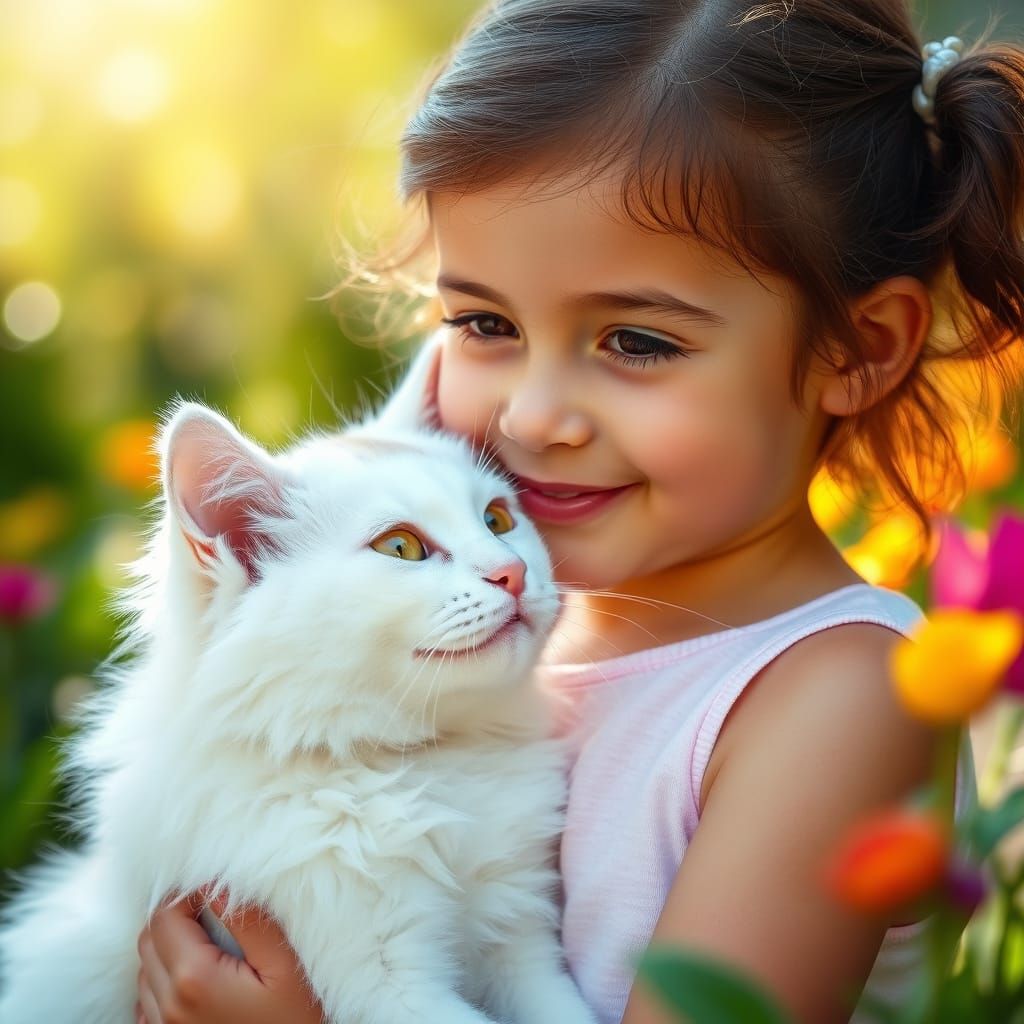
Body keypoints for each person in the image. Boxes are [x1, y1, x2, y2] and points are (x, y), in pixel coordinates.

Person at [134, 1, 1024, 1021]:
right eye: (484, 323)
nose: (534, 413)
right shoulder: (500, 639)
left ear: (859, 351)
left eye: (636, 342)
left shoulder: (837, 693)